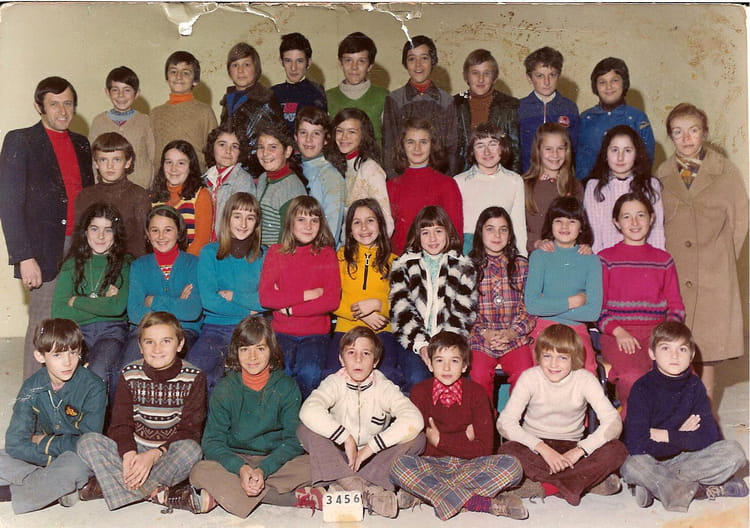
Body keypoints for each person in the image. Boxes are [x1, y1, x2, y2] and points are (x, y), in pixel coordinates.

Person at [0, 76, 94, 379]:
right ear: (39, 106)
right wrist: (24, 256)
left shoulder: (81, 143)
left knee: (74, 321)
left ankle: (68, 392)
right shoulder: (21, 140)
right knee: (43, 324)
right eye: (54, 104)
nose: (62, 111)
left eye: (68, 103)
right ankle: (32, 397)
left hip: (80, 245)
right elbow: (9, 205)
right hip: (42, 250)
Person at [656, 103, 749, 401]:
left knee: (707, 352)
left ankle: (706, 413)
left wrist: (722, 260)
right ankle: (680, 412)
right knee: (677, 346)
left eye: (693, 130)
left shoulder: (726, 171)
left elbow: (740, 221)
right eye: (678, 132)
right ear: (670, 136)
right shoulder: (662, 174)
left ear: (705, 133)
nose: (686, 138)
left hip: (713, 273)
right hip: (678, 271)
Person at [76, 311, 206, 511]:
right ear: (140, 346)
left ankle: (114, 488)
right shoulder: (129, 373)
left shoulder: (194, 377)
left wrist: (154, 455)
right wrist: (129, 454)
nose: (157, 349)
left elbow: (189, 431)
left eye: (166, 341)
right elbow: (120, 424)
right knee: (87, 442)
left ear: (180, 344)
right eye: (149, 342)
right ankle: (155, 492)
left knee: (192, 451)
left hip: (165, 454)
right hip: (134, 450)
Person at [390, 331, 527, 520]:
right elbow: (422, 446)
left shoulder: (477, 393)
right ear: (429, 364)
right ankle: (479, 503)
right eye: (439, 360)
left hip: (470, 466)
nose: (446, 367)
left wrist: (441, 440)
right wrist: (464, 439)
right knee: (398, 464)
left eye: (454, 361)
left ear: (464, 366)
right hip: (432, 465)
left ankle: (427, 495)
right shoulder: (420, 392)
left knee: (513, 466)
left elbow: (484, 449)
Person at [188, 315, 313, 517]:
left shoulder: (286, 386)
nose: (252, 357)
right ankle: (288, 498)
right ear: (235, 352)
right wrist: (241, 469)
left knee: (315, 466)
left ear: (272, 350)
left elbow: (293, 441)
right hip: (235, 459)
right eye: (245, 349)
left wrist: (264, 469)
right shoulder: (225, 388)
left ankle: (227, 495)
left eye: (260, 349)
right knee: (199, 471)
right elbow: (212, 441)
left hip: (274, 461)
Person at [297, 326, 425, 518]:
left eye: (366, 353)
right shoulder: (334, 382)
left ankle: (344, 482)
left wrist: (371, 447)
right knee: (304, 428)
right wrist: (345, 438)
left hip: (373, 459)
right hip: (339, 453)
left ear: (375, 361)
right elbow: (308, 409)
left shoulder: (383, 386)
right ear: (341, 359)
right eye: (351, 352)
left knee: (418, 439)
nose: (358, 359)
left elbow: (414, 418)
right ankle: (366, 489)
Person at [621, 321, 748, 512]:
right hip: (651, 459)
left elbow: (708, 437)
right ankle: (700, 490)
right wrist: (683, 435)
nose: (674, 356)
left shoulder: (695, 387)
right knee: (633, 464)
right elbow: (636, 444)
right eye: (666, 348)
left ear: (691, 355)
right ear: (652, 353)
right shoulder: (642, 388)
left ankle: (659, 486)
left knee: (734, 452)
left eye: (682, 349)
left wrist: (667, 435)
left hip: (685, 460)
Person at [497, 324, 627, 505]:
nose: (553, 364)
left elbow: (613, 422)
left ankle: (546, 486)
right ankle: (582, 483)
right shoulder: (530, 377)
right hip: (535, 447)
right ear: (539, 356)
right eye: (547, 356)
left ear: (574, 358)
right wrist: (542, 448)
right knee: (507, 450)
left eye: (562, 357)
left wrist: (580, 450)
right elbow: (505, 423)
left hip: (571, 447)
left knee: (618, 450)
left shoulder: (584, 379)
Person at [0, 319, 106, 513]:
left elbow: (87, 444)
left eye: (73, 352)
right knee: (3, 457)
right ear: (40, 356)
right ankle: (57, 487)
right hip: (43, 457)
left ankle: (10, 492)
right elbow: (15, 442)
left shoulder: (94, 387)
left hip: (75, 457)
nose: (68, 362)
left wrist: (44, 442)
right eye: (57, 354)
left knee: (73, 468)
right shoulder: (31, 386)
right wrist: (49, 461)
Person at [597, 193, 685, 416]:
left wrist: (665, 336)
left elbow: (676, 306)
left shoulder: (663, 260)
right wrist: (618, 331)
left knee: (679, 375)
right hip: (618, 335)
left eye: (641, 215)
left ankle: (672, 430)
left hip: (658, 334)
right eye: (626, 216)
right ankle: (635, 430)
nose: (634, 222)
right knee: (634, 378)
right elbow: (597, 308)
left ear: (651, 218)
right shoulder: (605, 259)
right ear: (617, 222)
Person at [259, 196, 340, 398]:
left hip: (315, 334)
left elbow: (331, 300)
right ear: (290, 222)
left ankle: (304, 414)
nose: (308, 226)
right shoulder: (276, 252)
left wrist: (291, 309)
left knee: (309, 372)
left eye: (314, 220)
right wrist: (308, 295)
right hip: (282, 332)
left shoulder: (327, 254)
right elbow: (266, 298)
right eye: (301, 219)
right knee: (280, 372)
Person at [390, 206, 477, 392]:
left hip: (450, 341)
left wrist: (443, 347)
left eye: (438, 231)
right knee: (417, 378)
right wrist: (422, 345)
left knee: (462, 382)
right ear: (417, 235)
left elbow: (463, 312)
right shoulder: (403, 264)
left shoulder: (463, 265)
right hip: (413, 342)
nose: (432, 238)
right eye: (425, 232)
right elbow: (401, 311)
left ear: (448, 233)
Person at [52, 203, 131, 401]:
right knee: (64, 374)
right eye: (95, 229)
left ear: (116, 233)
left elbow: (118, 308)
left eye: (108, 230)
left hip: (111, 332)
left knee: (98, 372)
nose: (101, 236)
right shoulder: (71, 264)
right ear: (85, 231)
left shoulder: (125, 263)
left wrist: (76, 301)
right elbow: (58, 312)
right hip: (78, 333)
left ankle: (99, 420)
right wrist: (103, 303)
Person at [188, 193, 265, 394]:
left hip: (251, 329)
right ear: (227, 219)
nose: (243, 224)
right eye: (237, 216)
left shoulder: (264, 255)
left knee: (238, 380)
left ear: (257, 223)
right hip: (215, 328)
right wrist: (247, 310)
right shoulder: (209, 252)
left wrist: (234, 296)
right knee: (196, 372)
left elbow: (266, 299)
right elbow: (209, 300)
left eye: (250, 217)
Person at [325, 198, 404, 389]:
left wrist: (378, 305)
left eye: (370, 220)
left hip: (381, 330)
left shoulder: (395, 262)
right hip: (346, 327)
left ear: (380, 225)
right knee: (332, 374)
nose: (364, 228)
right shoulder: (340, 257)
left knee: (387, 375)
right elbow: (331, 297)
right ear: (349, 229)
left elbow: (401, 304)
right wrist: (361, 314)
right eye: (357, 222)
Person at [524, 197, 601, 374]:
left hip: (576, 329)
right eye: (558, 221)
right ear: (550, 224)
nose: (565, 226)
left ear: (581, 227)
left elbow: (592, 312)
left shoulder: (591, 260)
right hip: (543, 328)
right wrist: (574, 301)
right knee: (537, 369)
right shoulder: (539, 256)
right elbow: (532, 305)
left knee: (586, 369)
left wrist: (547, 305)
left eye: (572, 221)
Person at [120, 206, 202, 369]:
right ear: (147, 234)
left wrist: (153, 301)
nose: (161, 236)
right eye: (155, 230)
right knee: (127, 368)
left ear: (179, 232)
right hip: (144, 332)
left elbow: (192, 310)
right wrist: (177, 302)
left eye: (168, 230)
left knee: (183, 370)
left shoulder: (194, 264)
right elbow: (135, 313)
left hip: (184, 331)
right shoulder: (138, 266)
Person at [467, 207, 535, 401]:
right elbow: (463, 311)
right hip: (481, 337)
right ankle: (485, 418)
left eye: (503, 229)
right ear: (480, 233)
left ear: (510, 234)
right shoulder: (468, 267)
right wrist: (484, 332)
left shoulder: (521, 265)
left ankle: (514, 418)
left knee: (525, 373)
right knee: (478, 374)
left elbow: (530, 309)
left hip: (514, 336)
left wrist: (512, 332)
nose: (497, 235)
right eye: (490, 229)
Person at [383, 35, 458, 177]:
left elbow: (451, 150)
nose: (418, 65)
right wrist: (395, 181)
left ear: (433, 61)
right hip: (404, 178)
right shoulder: (394, 100)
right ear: (405, 63)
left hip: (438, 178)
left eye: (424, 58)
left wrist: (447, 181)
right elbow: (389, 148)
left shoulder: (446, 101)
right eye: (412, 59)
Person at [387, 117, 464, 254]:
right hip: (400, 260)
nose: (417, 148)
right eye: (411, 142)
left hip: (437, 260)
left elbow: (455, 234)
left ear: (432, 145)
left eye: (423, 142)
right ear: (402, 146)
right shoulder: (391, 186)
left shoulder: (447, 184)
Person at [583, 124, 664, 254]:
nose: (620, 157)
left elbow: (657, 231)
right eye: (615, 150)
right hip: (607, 260)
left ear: (636, 154)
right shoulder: (594, 187)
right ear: (605, 153)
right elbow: (595, 235)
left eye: (627, 150)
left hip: (644, 259)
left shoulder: (650, 185)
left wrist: (656, 262)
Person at [577, 57, 655, 181]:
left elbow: (646, 159)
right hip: (590, 187)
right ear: (595, 86)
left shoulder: (637, 118)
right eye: (602, 82)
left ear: (624, 83)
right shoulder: (586, 118)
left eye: (614, 80)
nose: (608, 87)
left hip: (628, 187)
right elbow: (578, 159)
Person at [75, 132, 151, 258]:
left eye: (116, 159)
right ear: (95, 163)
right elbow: (79, 240)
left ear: (127, 162)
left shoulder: (138, 195)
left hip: (128, 263)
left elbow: (142, 242)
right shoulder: (84, 196)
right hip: (92, 263)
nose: (110, 166)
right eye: (103, 160)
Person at [455, 123, 527, 255]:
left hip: (501, 250)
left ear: (502, 147)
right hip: (468, 251)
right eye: (480, 146)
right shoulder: (459, 182)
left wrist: (522, 257)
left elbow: (519, 226)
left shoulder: (515, 181)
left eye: (493, 144)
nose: (487, 152)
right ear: (472, 151)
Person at [220, 42, 284, 178]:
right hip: (230, 170)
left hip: (257, 173)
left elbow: (277, 140)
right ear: (229, 70)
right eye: (235, 65)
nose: (240, 70)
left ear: (256, 68)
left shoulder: (266, 100)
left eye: (247, 64)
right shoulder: (228, 99)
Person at [454, 48, 521, 174]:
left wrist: (514, 179)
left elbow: (515, 152)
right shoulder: (454, 104)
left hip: (499, 176)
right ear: (465, 76)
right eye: (475, 73)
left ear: (494, 77)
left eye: (486, 73)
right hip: (462, 176)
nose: (481, 79)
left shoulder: (509, 105)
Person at [88, 66, 155, 189]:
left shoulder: (145, 121)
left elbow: (152, 157)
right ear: (107, 92)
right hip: (107, 189)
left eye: (127, 90)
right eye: (115, 90)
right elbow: (92, 159)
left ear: (137, 93)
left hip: (140, 188)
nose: (121, 95)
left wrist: (150, 186)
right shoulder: (99, 121)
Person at [150, 51, 217, 173]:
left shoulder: (204, 112)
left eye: (185, 73)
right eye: (173, 71)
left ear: (195, 80)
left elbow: (214, 151)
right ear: (167, 78)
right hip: (163, 179)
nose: (178, 77)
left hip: (194, 178)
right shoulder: (155, 114)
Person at [332, 108, 394, 236]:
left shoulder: (369, 168)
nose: (344, 137)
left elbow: (386, 222)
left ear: (363, 135)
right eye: (339, 131)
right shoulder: (340, 166)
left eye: (352, 132)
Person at [522, 122, 582, 255]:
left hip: (567, 256)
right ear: (538, 151)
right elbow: (516, 227)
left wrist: (584, 246)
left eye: (560, 148)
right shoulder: (524, 185)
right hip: (535, 256)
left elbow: (582, 225)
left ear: (567, 151)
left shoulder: (575, 186)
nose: (555, 154)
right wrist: (536, 242)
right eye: (548, 149)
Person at [518, 47, 579, 174]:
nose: (546, 82)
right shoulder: (520, 107)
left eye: (552, 75)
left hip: (561, 177)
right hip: (528, 176)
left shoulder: (569, 107)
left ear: (559, 76)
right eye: (539, 76)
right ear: (529, 78)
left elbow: (574, 148)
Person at [150, 140, 213, 257]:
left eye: (181, 163)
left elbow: (201, 241)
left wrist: (181, 264)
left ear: (191, 166)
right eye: (169, 162)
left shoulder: (201, 195)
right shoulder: (153, 197)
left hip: (189, 261)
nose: (173, 169)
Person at [294, 106, 345, 244]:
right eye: (303, 132)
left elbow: (332, 227)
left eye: (316, 133)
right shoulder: (296, 169)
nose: (308, 139)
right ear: (295, 137)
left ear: (326, 139)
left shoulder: (330, 176)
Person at [326, 32, 389, 144]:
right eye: (348, 60)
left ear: (370, 66)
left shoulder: (383, 96)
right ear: (340, 63)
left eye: (361, 61)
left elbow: (391, 139)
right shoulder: (328, 97)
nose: (354, 67)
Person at [254, 121, 308, 246]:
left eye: (273, 147)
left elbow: (288, 241)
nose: (265, 153)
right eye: (261, 147)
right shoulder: (263, 178)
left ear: (287, 151)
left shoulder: (292, 189)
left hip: (276, 254)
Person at [201, 122, 257, 240]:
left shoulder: (244, 181)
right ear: (212, 148)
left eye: (234, 146)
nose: (228, 151)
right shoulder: (205, 178)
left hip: (227, 243)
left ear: (240, 152)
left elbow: (242, 224)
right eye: (222, 144)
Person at [271, 32, 327, 135]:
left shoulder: (316, 92)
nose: (293, 68)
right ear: (281, 61)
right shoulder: (272, 93)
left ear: (308, 62)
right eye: (288, 61)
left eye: (299, 61)